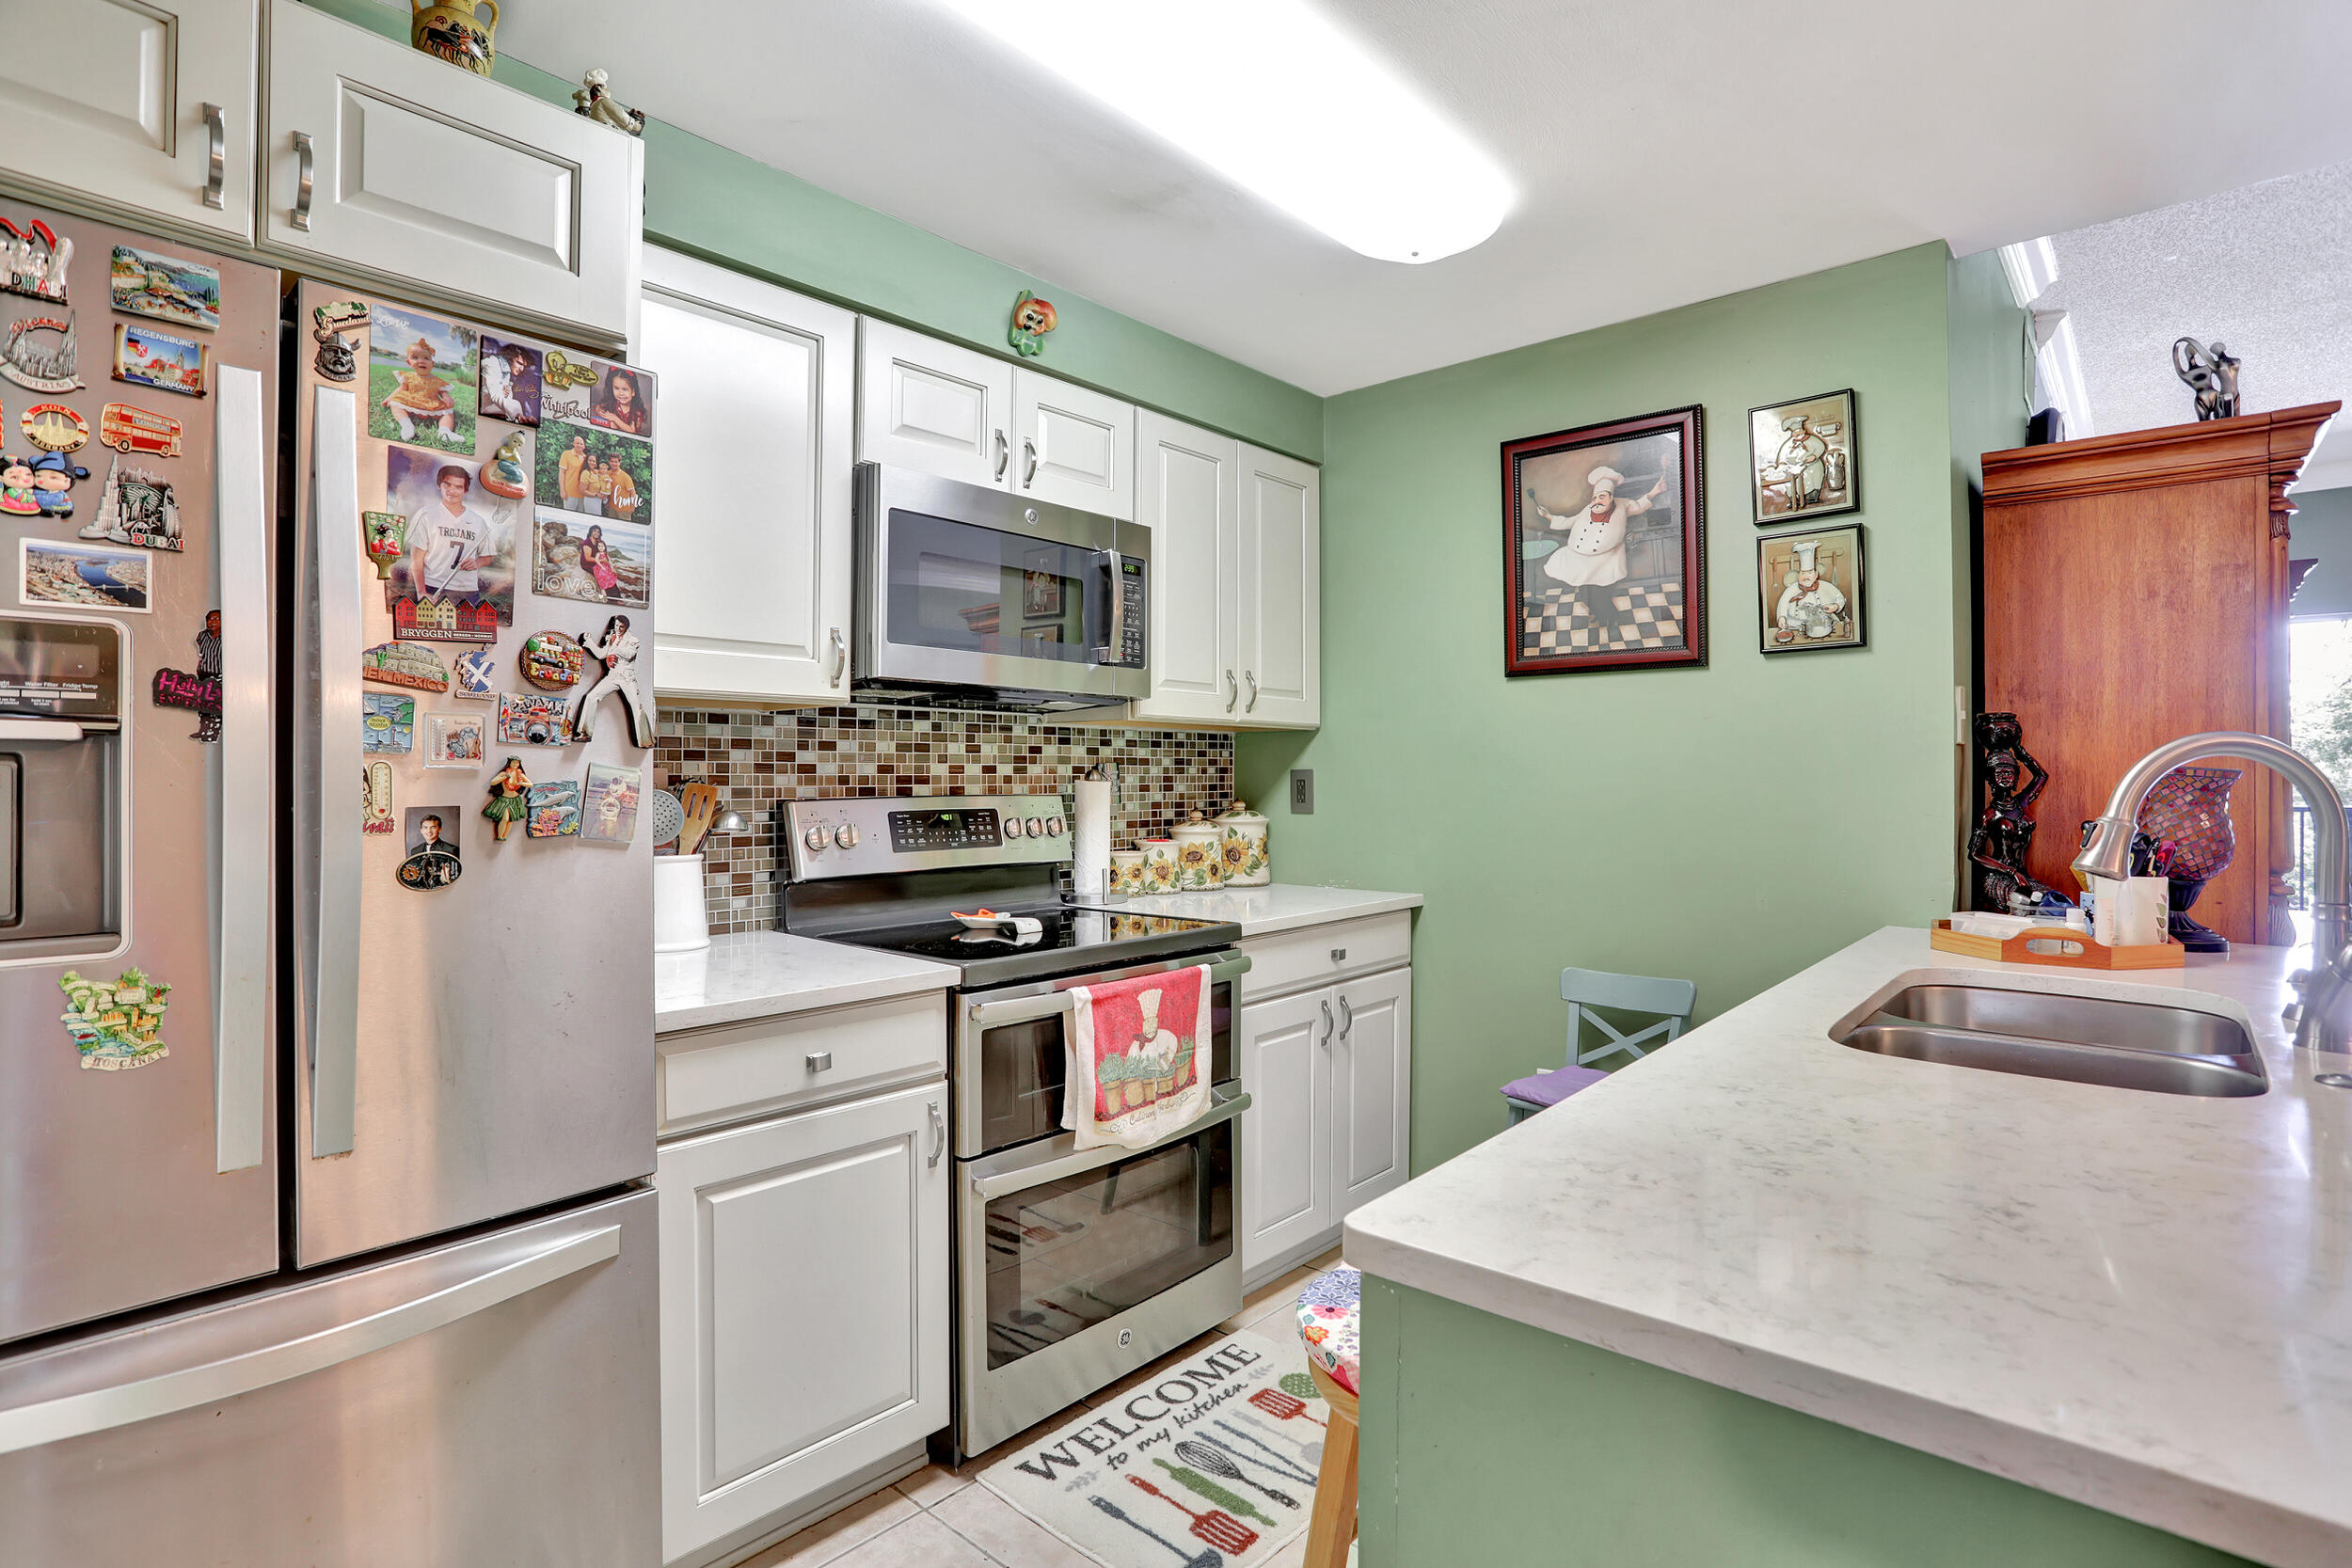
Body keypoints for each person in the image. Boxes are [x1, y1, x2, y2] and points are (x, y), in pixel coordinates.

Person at [1532, 465, 1665, 622]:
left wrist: (1654, 492)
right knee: (1585, 596)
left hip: (1605, 561)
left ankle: (1611, 620)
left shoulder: (1623, 505)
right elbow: (1568, 522)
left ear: (1611, 497)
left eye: (1602, 497)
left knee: (1600, 595)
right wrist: (1547, 515)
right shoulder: (1589, 508)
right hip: (1580, 559)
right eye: (1595, 497)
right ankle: (1602, 615)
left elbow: (1640, 506)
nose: (1597, 501)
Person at [405, 465, 497, 599]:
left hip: (468, 590)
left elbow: (488, 556)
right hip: (434, 586)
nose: (452, 491)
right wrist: (421, 592)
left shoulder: (478, 521)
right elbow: (416, 560)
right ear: (439, 485)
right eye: (447, 485)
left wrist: (477, 563)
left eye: (458, 487)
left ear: (465, 491)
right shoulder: (426, 515)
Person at [569, 613, 651, 746]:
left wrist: (614, 645)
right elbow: (601, 654)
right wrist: (589, 643)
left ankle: (645, 739)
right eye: (617, 626)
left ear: (626, 627)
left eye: (621, 626)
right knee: (591, 697)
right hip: (612, 675)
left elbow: (629, 654)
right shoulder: (612, 638)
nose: (618, 629)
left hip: (627, 677)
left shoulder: (633, 640)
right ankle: (584, 732)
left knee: (636, 706)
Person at [382, 338, 457, 445]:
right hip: (411, 404)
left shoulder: (437, 381)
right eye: (415, 357)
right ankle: (406, 424)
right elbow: (401, 389)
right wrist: (390, 398)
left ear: (432, 364)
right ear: (409, 362)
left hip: (431, 406)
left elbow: (443, 391)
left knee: (449, 412)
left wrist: (446, 397)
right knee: (395, 402)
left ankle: (444, 431)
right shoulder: (408, 376)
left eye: (426, 358)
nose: (421, 361)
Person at [480, 342, 538, 423]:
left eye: (524, 366)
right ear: (509, 358)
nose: (522, 369)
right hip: (478, 406)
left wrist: (507, 393)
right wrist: (518, 414)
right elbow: (495, 396)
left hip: (487, 406)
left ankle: (520, 421)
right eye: (519, 363)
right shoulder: (493, 364)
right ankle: (520, 420)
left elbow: (503, 396)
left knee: (510, 412)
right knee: (514, 407)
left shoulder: (506, 372)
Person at [482, 757, 532, 841]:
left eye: (517, 763)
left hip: (515, 799)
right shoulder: (504, 773)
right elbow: (493, 782)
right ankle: (500, 836)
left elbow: (530, 784)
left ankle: (504, 837)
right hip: (505, 799)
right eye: (514, 762)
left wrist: (521, 783)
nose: (515, 765)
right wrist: (504, 778)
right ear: (509, 763)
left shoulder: (520, 774)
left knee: (510, 820)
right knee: (505, 818)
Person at [590, 367, 649, 436]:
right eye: (616, 388)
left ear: (633, 392)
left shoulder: (636, 412)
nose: (621, 393)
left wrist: (615, 419)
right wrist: (603, 413)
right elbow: (599, 407)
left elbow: (632, 431)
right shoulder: (613, 403)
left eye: (625, 389)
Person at [579, 523, 621, 599]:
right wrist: (601, 561)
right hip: (587, 564)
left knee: (610, 574)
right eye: (595, 531)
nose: (597, 533)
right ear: (591, 532)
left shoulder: (598, 541)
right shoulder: (587, 542)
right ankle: (612, 597)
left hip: (597, 562)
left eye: (598, 532)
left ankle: (617, 597)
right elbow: (587, 558)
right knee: (603, 574)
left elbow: (604, 553)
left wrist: (610, 566)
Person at [557, 433, 588, 504]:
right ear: (573, 444)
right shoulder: (566, 454)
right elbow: (561, 473)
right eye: (577, 443)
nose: (579, 445)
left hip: (583, 495)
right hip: (569, 494)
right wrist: (562, 491)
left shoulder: (586, 458)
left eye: (581, 444)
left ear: (584, 446)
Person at [579, 452, 612, 516]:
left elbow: (605, 473)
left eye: (593, 461)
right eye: (590, 460)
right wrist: (597, 495)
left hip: (598, 500)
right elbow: (582, 491)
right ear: (586, 461)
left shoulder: (596, 471)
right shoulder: (586, 473)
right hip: (591, 500)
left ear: (596, 463)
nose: (591, 462)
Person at [606, 455, 639, 520]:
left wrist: (632, 508)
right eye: (612, 461)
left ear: (619, 463)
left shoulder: (625, 477)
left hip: (624, 510)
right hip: (612, 508)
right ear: (609, 462)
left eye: (616, 462)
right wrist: (608, 502)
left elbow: (633, 493)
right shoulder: (607, 474)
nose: (614, 464)